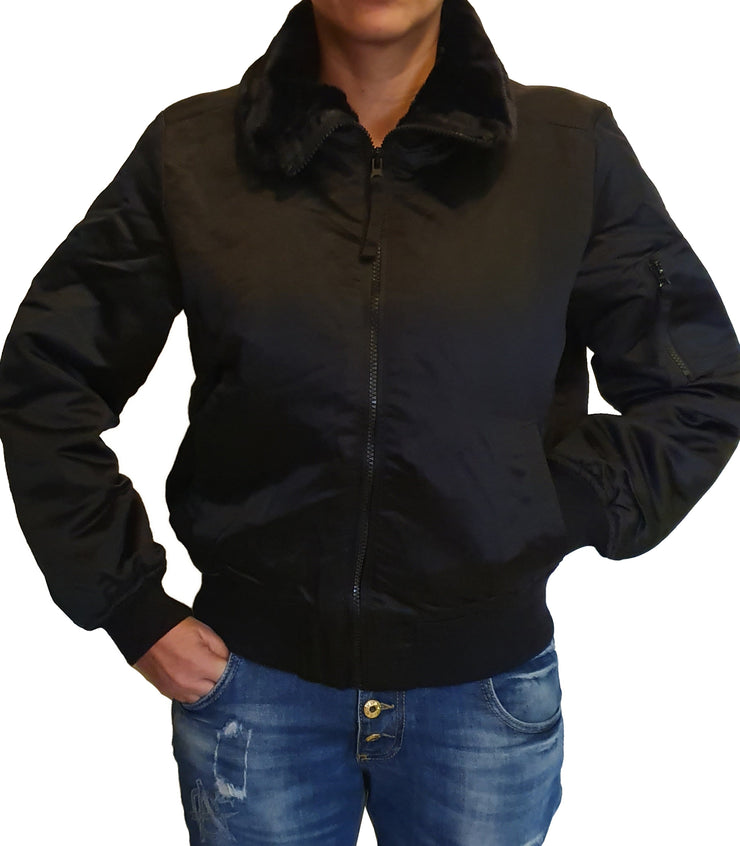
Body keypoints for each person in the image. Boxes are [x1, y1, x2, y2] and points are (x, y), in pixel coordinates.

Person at [0, 0, 739, 844]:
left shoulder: (570, 151)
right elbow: (47, 378)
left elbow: (698, 385)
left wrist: (549, 508)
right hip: (255, 693)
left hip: (481, 700)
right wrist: (132, 608)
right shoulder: (195, 152)